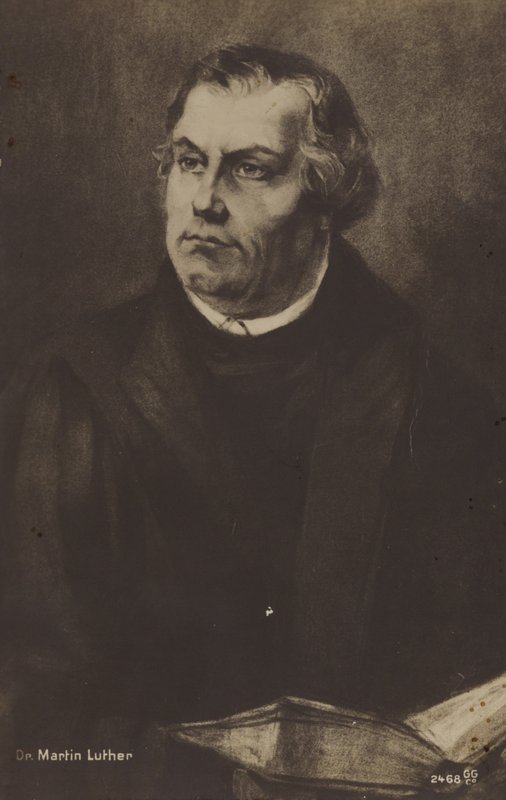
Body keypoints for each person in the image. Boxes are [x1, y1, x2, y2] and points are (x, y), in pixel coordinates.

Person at [1, 44, 505, 799]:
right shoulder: (69, 388)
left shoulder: (441, 402)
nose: (204, 200)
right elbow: (30, 718)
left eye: (250, 169)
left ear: (325, 200)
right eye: (188, 161)